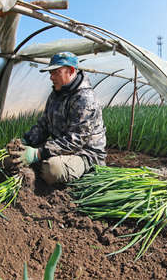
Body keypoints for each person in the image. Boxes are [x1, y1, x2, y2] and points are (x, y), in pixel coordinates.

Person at [10, 51, 106, 184]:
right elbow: (44, 125)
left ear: (71, 71)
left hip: (84, 154)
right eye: (51, 73)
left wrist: (37, 153)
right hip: (61, 147)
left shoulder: (85, 99)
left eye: (56, 72)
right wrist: (25, 141)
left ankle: (82, 172)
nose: (51, 77)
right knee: (16, 154)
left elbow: (76, 141)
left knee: (52, 169)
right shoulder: (56, 94)